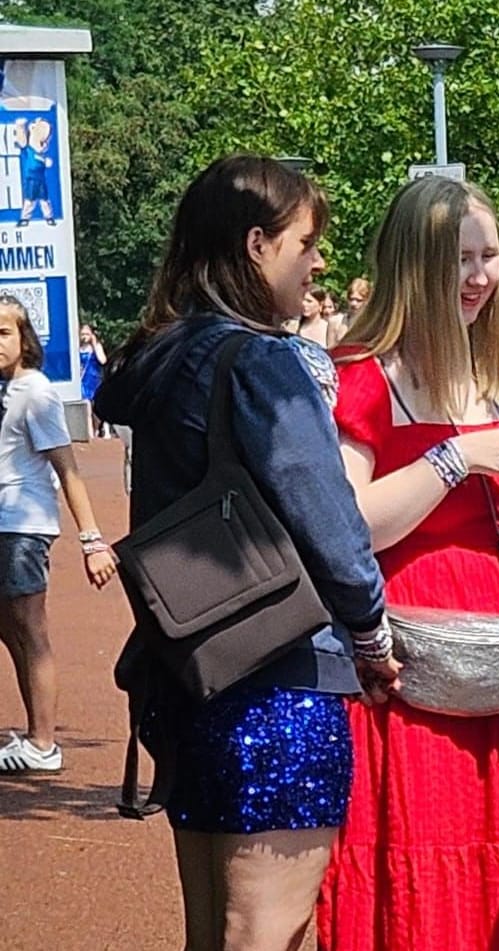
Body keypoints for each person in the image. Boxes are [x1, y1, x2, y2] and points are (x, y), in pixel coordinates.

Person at [94, 154, 390, 951]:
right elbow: (327, 517)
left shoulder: (162, 355)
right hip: (282, 667)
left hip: (188, 668)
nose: (320, 260)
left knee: (213, 927)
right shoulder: (262, 360)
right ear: (258, 245)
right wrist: (372, 627)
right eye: (307, 242)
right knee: (267, 924)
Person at [318, 175, 499, 951]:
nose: (478, 276)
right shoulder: (363, 373)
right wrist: (454, 457)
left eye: (490, 255)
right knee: (422, 841)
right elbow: (348, 527)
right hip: (409, 649)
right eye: (459, 259)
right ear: (414, 264)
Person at [0, 297, 117, 774]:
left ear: (24, 339)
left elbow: (67, 469)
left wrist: (92, 541)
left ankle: (44, 744)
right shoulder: (6, 390)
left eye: (3, 332)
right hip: (4, 523)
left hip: (23, 527)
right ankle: (34, 735)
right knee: (11, 633)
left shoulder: (36, 392)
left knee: (31, 633)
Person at [79, 323, 108, 437]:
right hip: (83, 380)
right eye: (82, 334)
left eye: (87, 334)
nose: (84, 337)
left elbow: (103, 360)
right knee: (86, 407)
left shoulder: (96, 347)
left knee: (97, 409)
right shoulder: (77, 349)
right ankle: (90, 433)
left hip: (94, 379)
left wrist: (95, 344)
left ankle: (98, 429)